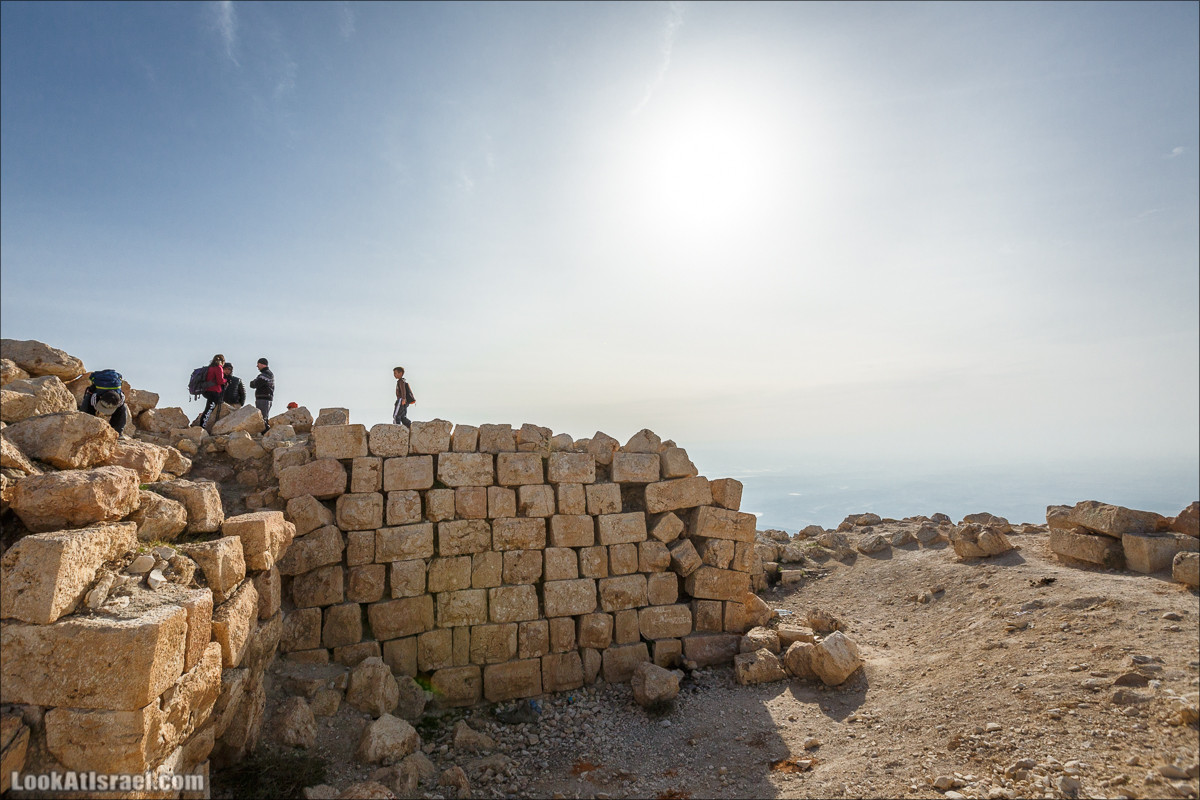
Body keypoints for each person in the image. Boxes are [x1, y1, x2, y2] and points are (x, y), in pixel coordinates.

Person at [80, 369, 128, 435]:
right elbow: (91, 405)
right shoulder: (95, 396)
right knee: (88, 403)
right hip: (99, 394)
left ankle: (116, 433)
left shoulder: (121, 399)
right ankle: (85, 429)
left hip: (111, 397)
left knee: (122, 408)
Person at [192, 354, 227, 430]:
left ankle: (202, 426)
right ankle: (202, 427)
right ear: (222, 361)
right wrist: (225, 380)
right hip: (214, 392)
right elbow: (220, 380)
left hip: (206, 391)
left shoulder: (209, 368)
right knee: (208, 410)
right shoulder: (218, 368)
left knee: (208, 409)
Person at [249, 357, 275, 430]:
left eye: (258, 364)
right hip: (265, 398)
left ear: (262, 364)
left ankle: (265, 433)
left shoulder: (265, 374)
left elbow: (254, 384)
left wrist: (254, 381)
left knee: (263, 418)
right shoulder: (265, 374)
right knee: (263, 417)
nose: (257, 366)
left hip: (264, 399)